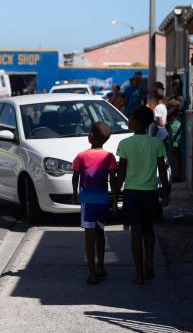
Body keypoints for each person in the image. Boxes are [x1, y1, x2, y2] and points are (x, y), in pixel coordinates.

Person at [116, 106, 170, 285]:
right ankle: (149, 264)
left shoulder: (125, 144)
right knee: (149, 230)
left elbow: (121, 174)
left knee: (136, 234)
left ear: (137, 122)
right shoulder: (156, 143)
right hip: (150, 193)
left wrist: (116, 194)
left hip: (131, 194)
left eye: (131, 118)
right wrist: (165, 194)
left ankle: (138, 274)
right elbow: (162, 171)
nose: (129, 120)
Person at [71, 122, 118, 285]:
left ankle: (92, 273)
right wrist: (114, 200)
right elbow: (113, 179)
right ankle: (101, 267)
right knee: (100, 233)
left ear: (91, 136)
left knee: (89, 238)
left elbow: (75, 176)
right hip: (103, 200)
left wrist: (74, 193)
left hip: (88, 202)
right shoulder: (109, 156)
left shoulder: (81, 156)